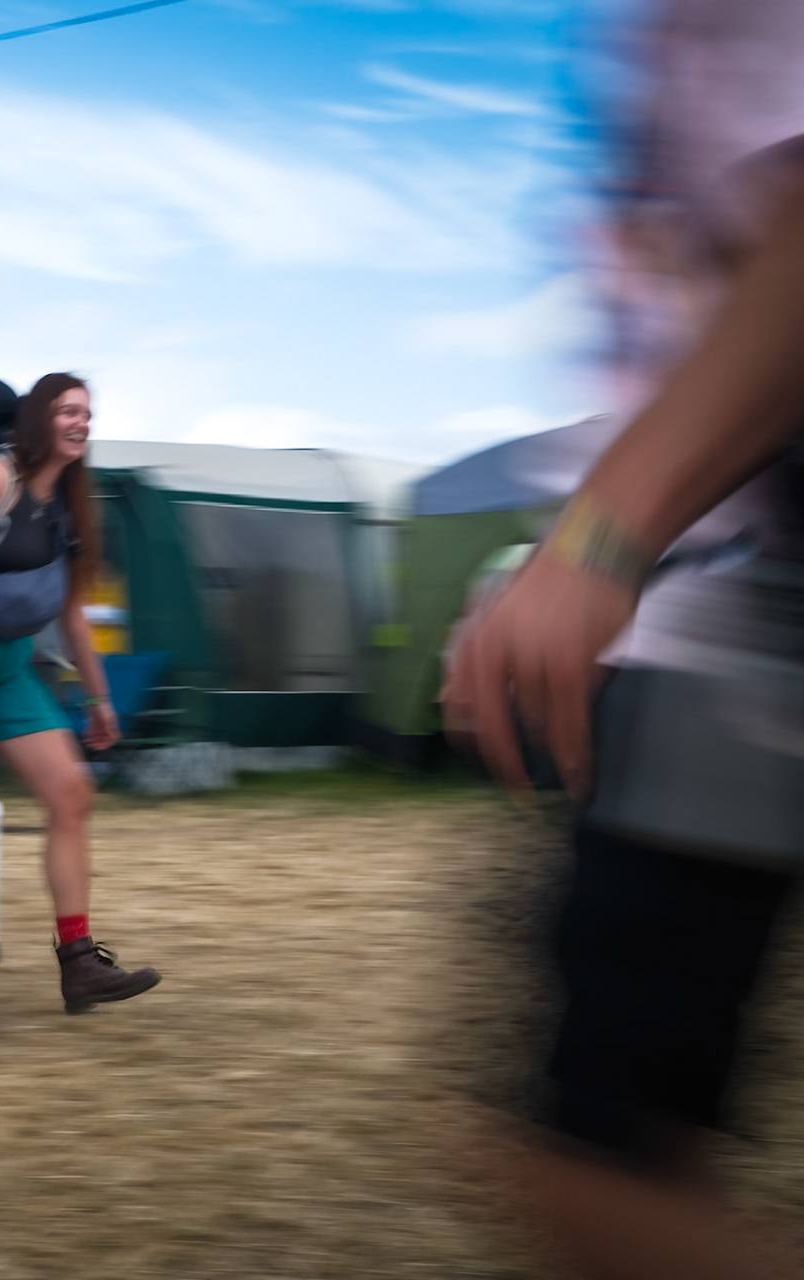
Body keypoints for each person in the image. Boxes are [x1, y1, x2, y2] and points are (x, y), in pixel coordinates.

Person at [442, 3, 804, 1275]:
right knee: (618, 1145)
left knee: (590, 1163)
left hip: (750, 616)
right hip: (714, 607)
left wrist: (603, 543)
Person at [0, 373, 159, 1015]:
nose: (81, 421)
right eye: (68, 410)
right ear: (39, 419)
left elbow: (71, 615)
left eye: (88, 412)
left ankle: (79, 962)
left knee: (72, 792)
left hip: (11, 666)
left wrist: (99, 701)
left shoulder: (68, 503)